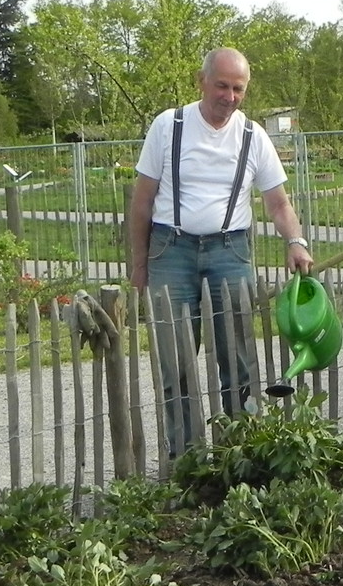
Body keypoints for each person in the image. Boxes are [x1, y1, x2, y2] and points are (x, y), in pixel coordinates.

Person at [126, 47, 314, 453]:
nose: (229, 97)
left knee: (238, 357)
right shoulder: (168, 126)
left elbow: (279, 204)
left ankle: (238, 450)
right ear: (202, 81)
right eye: (222, 86)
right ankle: (186, 457)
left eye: (238, 89)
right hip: (170, 250)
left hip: (230, 250)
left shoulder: (253, 136)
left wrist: (295, 241)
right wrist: (139, 264)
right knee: (175, 362)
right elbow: (142, 201)